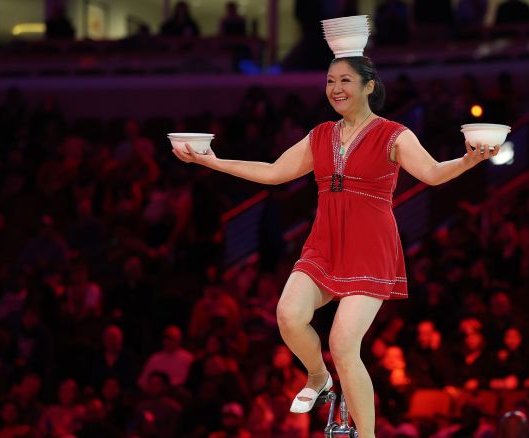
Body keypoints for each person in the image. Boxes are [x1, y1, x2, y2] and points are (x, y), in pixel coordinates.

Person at [171, 52, 500, 437]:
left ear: (369, 86)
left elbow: (431, 173)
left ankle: (367, 435)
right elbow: (275, 172)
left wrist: (468, 159)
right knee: (289, 316)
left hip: (370, 247)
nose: (336, 88)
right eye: (330, 81)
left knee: (343, 342)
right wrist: (214, 162)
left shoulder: (394, 134)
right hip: (324, 243)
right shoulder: (321, 135)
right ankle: (317, 376)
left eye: (345, 80)